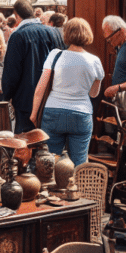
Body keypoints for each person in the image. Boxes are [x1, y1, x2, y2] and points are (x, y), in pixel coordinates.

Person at [30, 18, 104, 166]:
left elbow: (40, 89)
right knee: (79, 162)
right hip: (81, 113)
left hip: (54, 111)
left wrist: (33, 114)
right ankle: (78, 188)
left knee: (49, 161)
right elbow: (93, 94)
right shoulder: (94, 61)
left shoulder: (55, 55)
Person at [2, 0, 66, 133]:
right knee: (50, 144)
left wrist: (7, 95)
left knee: (27, 144)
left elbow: (11, 72)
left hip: (26, 100)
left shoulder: (18, 36)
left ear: (17, 15)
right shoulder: (53, 32)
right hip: (52, 96)